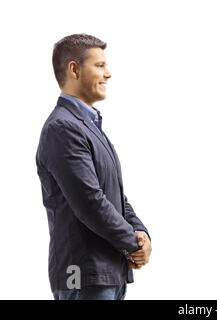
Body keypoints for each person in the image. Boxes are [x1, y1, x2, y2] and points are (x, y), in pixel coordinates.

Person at [36, 34, 152, 300]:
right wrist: (133, 243)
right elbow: (90, 202)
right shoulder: (62, 128)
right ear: (74, 69)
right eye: (99, 65)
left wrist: (141, 233)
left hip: (108, 271)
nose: (108, 74)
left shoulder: (87, 126)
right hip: (82, 273)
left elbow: (115, 196)